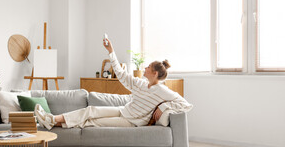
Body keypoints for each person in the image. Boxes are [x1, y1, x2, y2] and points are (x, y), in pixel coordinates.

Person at [35, 37, 193, 130]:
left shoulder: (162, 91)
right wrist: (111, 51)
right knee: (91, 109)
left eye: (148, 67)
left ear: (155, 73)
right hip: (123, 110)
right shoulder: (140, 83)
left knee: (91, 121)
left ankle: (51, 121)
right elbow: (120, 73)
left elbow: (185, 104)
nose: (145, 67)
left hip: (131, 121)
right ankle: (52, 119)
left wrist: (163, 107)